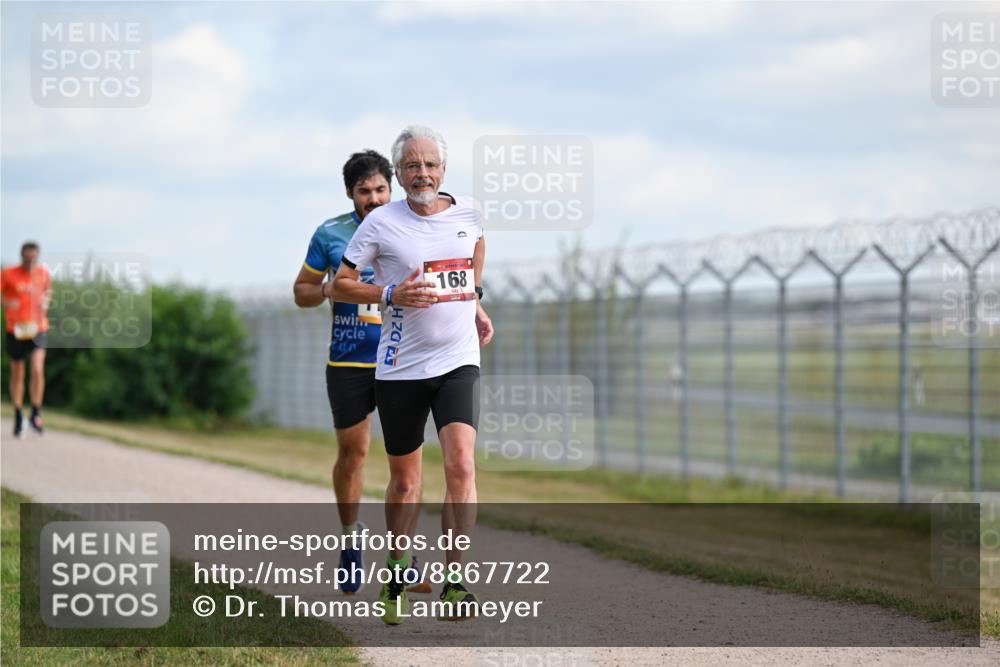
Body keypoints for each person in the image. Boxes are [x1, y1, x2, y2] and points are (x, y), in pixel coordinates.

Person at [334, 125, 494, 624]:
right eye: (411, 166)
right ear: (399, 173)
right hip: (401, 367)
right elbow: (339, 284)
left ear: (443, 169)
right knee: (405, 484)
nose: (421, 173)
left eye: (430, 165)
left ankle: (455, 580)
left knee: (461, 466)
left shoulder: (469, 211)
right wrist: (389, 295)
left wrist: (475, 301)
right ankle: (398, 566)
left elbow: (475, 254)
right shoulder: (381, 222)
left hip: (457, 360)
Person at [293, 150, 429, 596]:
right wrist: (330, 288)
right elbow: (302, 292)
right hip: (349, 360)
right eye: (364, 191)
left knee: (405, 467)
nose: (373, 198)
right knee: (353, 454)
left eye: (380, 189)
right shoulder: (331, 234)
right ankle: (351, 539)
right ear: (350, 194)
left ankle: (403, 557)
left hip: (403, 358)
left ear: (392, 187)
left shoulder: (413, 225)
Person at [2, 241, 52, 439]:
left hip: (38, 328)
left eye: (34, 258)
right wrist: (6, 302)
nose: (31, 261)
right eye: (27, 258)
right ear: (21, 256)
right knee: (18, 373)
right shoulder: (8, 273)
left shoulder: (43, 273)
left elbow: (48, 292)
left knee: (38, 369)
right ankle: (17, 415)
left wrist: (46, 302)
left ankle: (35, 414)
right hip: (16, 328)